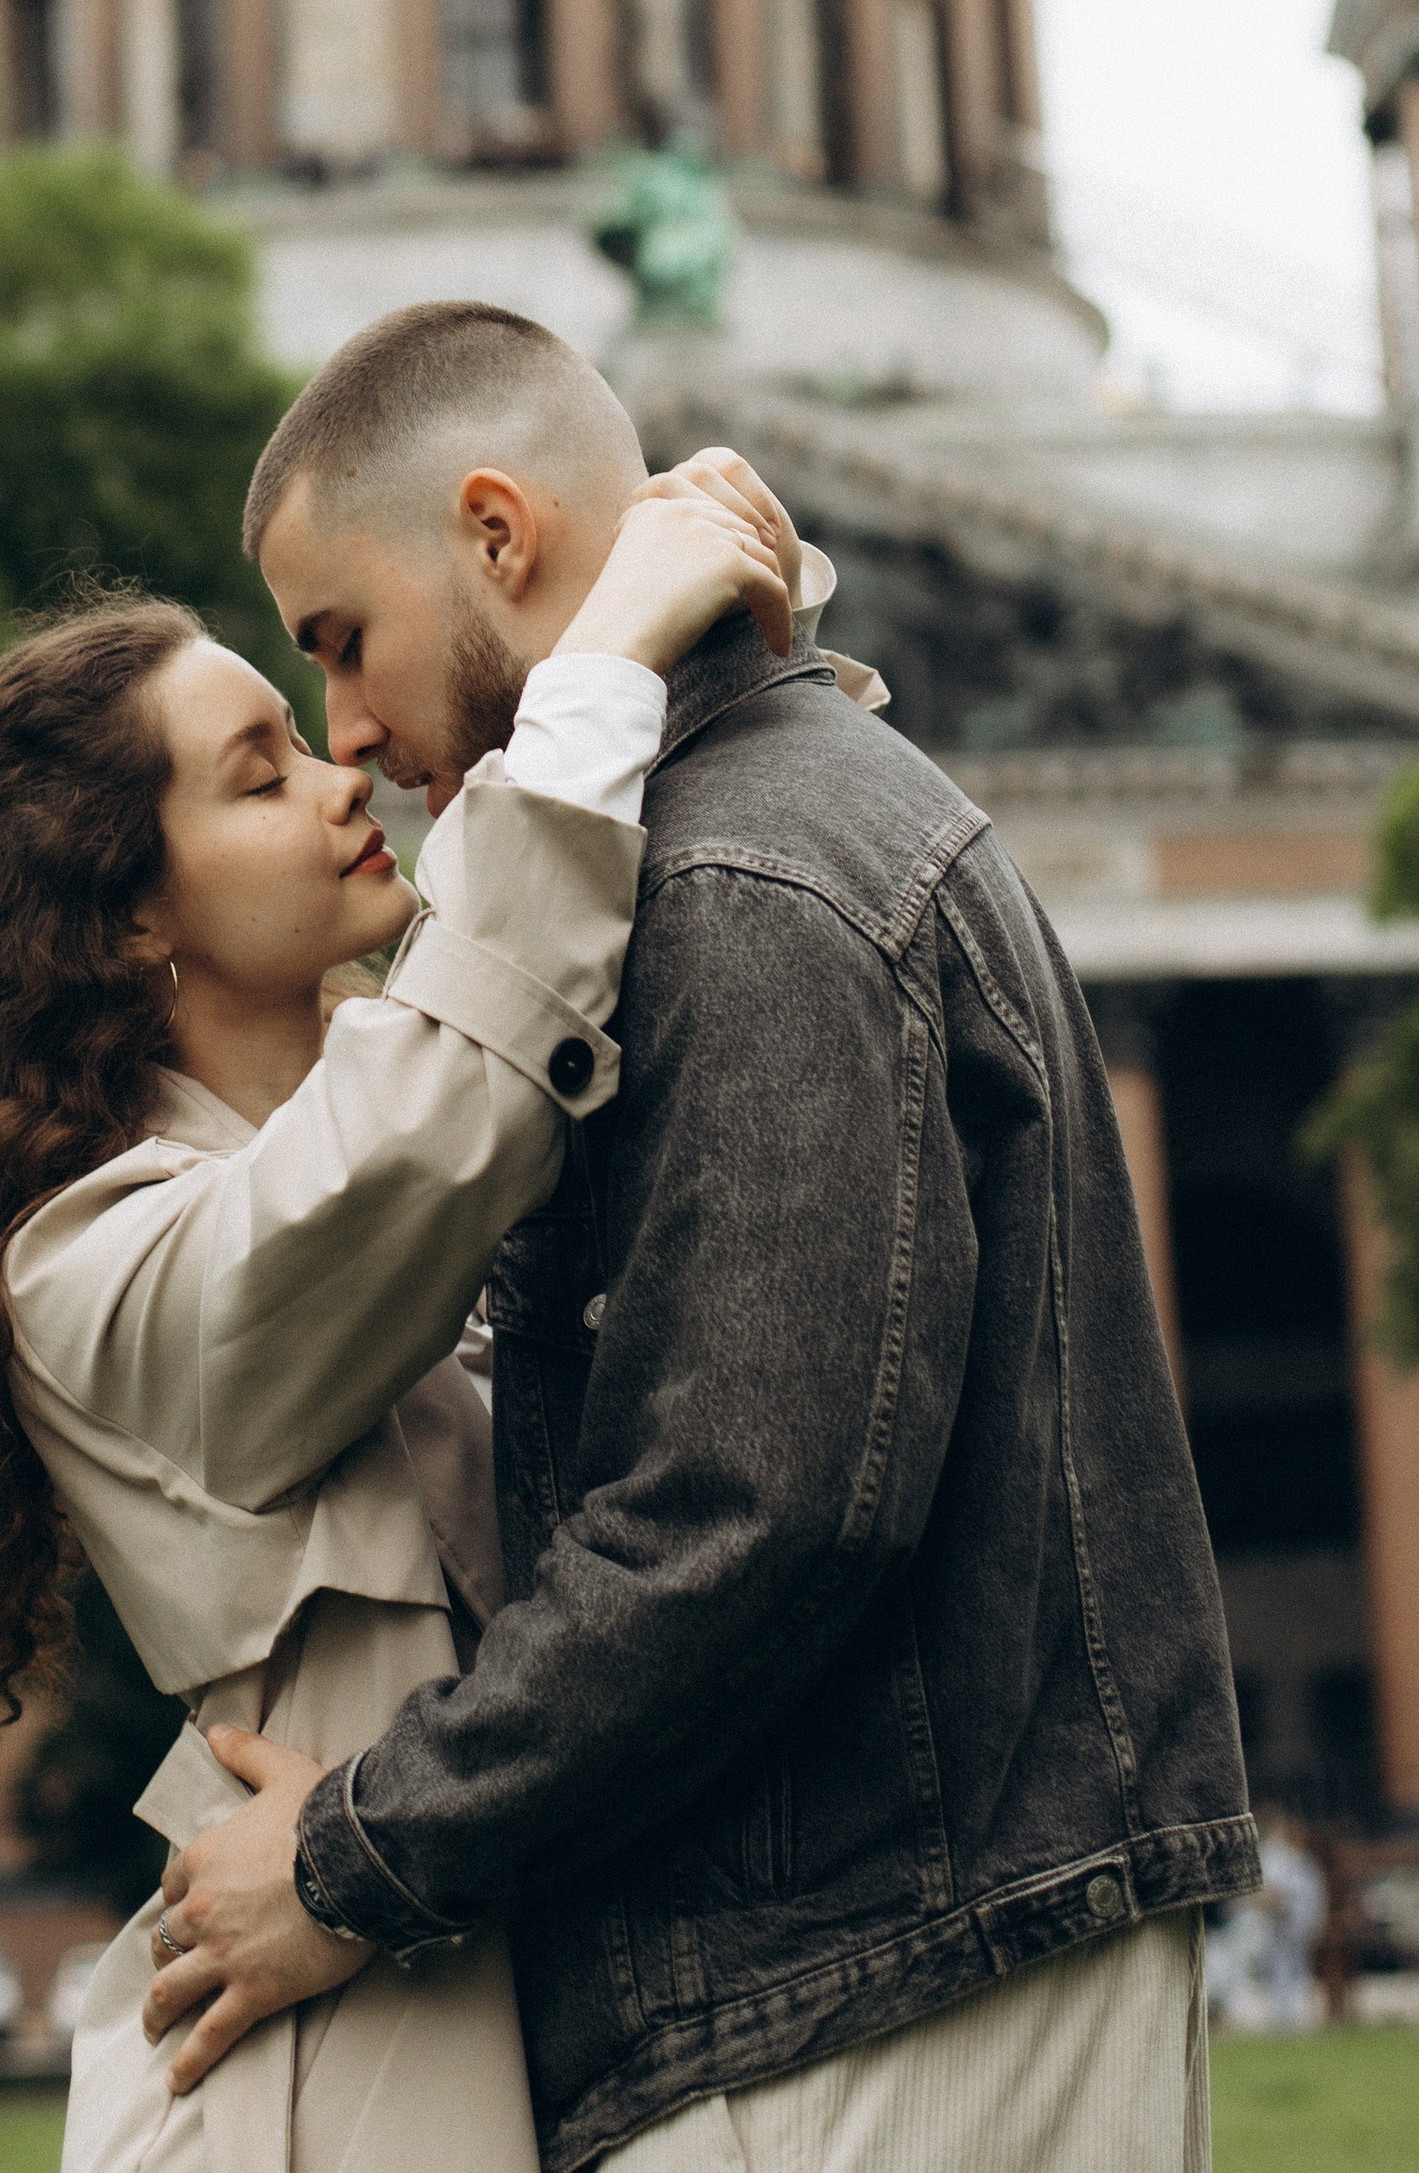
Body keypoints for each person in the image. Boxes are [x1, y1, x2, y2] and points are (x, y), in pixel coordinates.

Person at [149, 301, 1259, 2173]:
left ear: (497, 535)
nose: (351, 733)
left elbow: (748, 1513)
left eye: (343, 645)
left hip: (856, 1983)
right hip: (903, 1947)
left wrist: (350, 1858)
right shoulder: (765, 835)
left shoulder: (735, 883)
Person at [0, 434, 805, 2173]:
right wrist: (597, 666)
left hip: (467, 2008)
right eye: (257, 777)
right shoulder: (86, 1265)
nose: (347, 777)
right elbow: (421, 1129)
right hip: (310, 2099)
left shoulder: (415, 1106)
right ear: (123, 922)